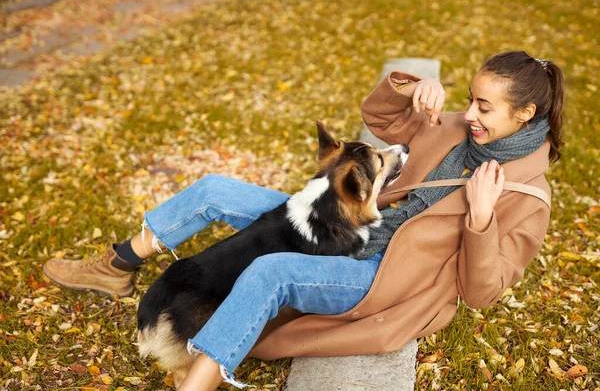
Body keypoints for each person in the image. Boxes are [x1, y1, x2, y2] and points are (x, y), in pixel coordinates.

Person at [43, 50, 564, 390]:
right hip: (349, 222)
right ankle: (119, 262)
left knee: (270, 273)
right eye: (471, 100)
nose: (469, 114)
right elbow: (382, 118)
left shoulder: (527, 198)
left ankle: (197, 381)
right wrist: (410, 85)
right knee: (217, 190)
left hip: (383, 276)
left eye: (484, 107)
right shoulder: (458, 127)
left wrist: (479, 222)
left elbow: (482, 291)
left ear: (525, 116)